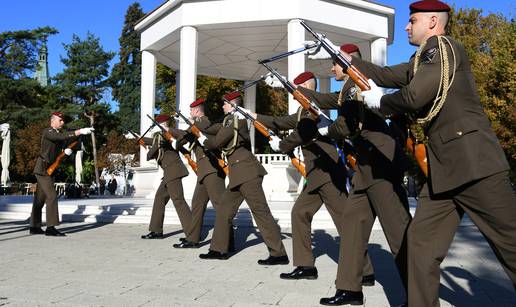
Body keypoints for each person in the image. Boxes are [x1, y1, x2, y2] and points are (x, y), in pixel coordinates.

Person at [348, 1, 516, 305]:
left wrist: (381, 103)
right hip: (443, 170)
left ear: (433, 23)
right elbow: (385, 74)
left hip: (474, 164)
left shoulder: (441, 47)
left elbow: (415, 96)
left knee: (511, 244)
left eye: (412, 20)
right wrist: (347, 60)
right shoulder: (419, 60)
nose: (406, 26)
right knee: (420, 244)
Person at [299, 45, 412, 305]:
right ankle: (350, 288)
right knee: (351, 227)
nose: (331, 68)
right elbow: (328, 100)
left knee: (399, 234)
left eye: (334, 63)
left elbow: (349, 123)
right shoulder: (348, 87)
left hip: (379, 166)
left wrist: (326, 131)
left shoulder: (354, 85)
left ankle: (419, 294)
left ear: (346, 63)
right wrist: (297, 91)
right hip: (366, 170)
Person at [252, 71, 375, 284]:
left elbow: (302, 134)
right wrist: (253, 116)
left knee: (345, 223)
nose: (293, 94)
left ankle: (365, 271)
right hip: (317, 174)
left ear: (308, 87)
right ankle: (305, 266)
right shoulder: (302, 111)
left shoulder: (312, 111)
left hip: (327, 173)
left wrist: (281, 145)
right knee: (300, 213)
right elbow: (280, 122)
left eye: (298, 89)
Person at [198, 91, 288, 265]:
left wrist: (204, 141)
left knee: (261, 212)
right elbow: (212, 129)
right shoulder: (229, 121)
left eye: (225, 103)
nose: (222, 106)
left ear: (232, 104)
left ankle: (279, 254)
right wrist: (199, 124)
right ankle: (219, 249)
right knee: (224, 210)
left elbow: (217, 142)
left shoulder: (235, 120)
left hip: (247, 173)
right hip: (239, 175)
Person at [172, 98, 226, 248]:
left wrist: (177, 135)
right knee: (197, 204)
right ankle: (193, 238)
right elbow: (188, 134)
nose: (190, 113)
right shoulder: (198, 124)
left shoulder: (204, 122)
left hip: (212, 170)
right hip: (204, 171)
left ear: (196, 111)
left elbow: (186, 135)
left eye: (191, 111)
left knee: (220, 206)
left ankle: (228, 240)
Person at [29, 111, 94, 236]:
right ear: (52, 121)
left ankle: (34, 226)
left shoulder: (58, 134)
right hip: (43, 169)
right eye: (60, 120)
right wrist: (80, 131)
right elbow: (61, 137)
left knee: (40, 199)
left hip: (50, 169)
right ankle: (50, 228)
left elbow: (63, 142)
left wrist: (66, 151)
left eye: (63, 120)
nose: (62, 122)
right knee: (52, 196)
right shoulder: (48, 131)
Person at [140, 114, 193, 241]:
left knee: (178, 201)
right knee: (159, 198)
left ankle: (192, 232)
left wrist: (147, 147)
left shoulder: (166, 135)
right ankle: (156, 230)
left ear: (163, 124)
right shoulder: (161, 136)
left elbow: (152, 152)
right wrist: (138, 138)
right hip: (169, 173)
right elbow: (154, 141)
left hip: (173, 172)